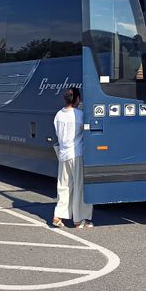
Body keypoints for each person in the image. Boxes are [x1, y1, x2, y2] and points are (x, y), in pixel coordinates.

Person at [52, 87, 93, 228]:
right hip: (77, 154)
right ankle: (79, 219)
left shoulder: (58, 115)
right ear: (77, 99)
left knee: (63, 186)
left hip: (63, 154)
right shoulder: (80, 115)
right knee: (79, 187)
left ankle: (58, 216)